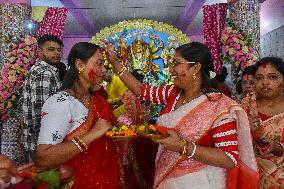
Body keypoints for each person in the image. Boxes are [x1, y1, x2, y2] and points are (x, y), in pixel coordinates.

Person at [105, 41, 258, 189]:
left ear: (196, 67)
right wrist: (114, 62)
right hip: (169, 179)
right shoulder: (173, 93)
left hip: (203, 182)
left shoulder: (218, 105)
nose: (171, 70)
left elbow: (229, 158)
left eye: (177, 63)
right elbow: (140, 90)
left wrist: (183, 147)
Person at [36, 42, 123, 189]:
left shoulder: (99, 101)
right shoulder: (61, 102)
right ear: (80, 65)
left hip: (108, 181)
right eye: (99, 64)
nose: (104, 70)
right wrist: (92, 134)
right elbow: (44, 157)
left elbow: (112, 134)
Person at [22, 34, 63, 163]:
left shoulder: (39, 69)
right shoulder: (45, 73)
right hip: (43, 144)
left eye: (58, 49)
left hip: (37, 142)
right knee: (47, 181)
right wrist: (48, 143)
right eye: (51, 49)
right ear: (40, 52)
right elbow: (41, 110)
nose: (56, 53)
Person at [245, 57, 284, 188]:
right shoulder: (244, 108)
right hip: (253, 175)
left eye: (273, 77)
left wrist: (276, 147)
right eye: (259, 78)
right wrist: (246, 130)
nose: (265, 82)